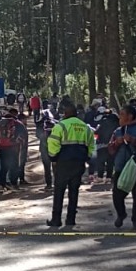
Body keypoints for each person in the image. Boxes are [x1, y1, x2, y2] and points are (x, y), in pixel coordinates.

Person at [46, 97, 95, 228]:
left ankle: (56, 219)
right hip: (79, 163)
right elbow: (91, 145)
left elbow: (52, 143)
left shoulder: (60, 126)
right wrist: (88, 158)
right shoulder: (85, 127)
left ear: (66, 114)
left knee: (59, 191)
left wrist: (53, 158)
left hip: (63, 163)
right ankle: (71, 219)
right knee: (74, 191)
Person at [0, 106, 24, 188]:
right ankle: (14, 184)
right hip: (13, 148)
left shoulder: (0, 122)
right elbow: (23, 134)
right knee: (14, 166)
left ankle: (2, 185)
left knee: (3, 167)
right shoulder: (17, 123)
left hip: (1, 147)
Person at [93, 106, 120, 187]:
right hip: (112, 145)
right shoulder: (116, 123)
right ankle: (109, 177)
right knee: (110, 162)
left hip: (101, 145)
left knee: (101, 161)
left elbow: (97, 132)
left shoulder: (102, 122)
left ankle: (100, 177)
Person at [37, 107, 55, 190]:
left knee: (47, 168)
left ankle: (49, 185)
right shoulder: (55, 123)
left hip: (44, 148)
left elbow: (38, 135)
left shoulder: (40, 124)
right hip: (55, 148)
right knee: (55, 167)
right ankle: (57, 183)